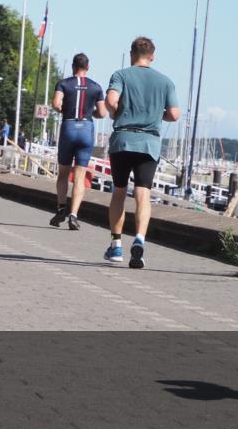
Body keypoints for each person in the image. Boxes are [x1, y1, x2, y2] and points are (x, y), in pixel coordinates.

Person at [104, 37, 180, 268]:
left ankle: (116, 246)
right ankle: (139, 239)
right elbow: (175, 114)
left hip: (123, 140)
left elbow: (110, 100)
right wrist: (158, 116)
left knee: (119, 192)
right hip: (149, 144)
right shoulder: (165, 82)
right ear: (153, 56)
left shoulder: (121, 75)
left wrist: (117, 112)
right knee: (143, 194)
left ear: (131, 54)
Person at [49, 53, 108, 231]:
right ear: (87, 68)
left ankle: (61, 208)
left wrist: (65, 109)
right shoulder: (96, 87)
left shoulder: (64, 84)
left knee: (63, 174)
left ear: (73, 67)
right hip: (86, 130)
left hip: (69, 127)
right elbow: (103, 113)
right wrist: (91, 113)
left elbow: (56, 103)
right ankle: (74, 215)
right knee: (80, 176)